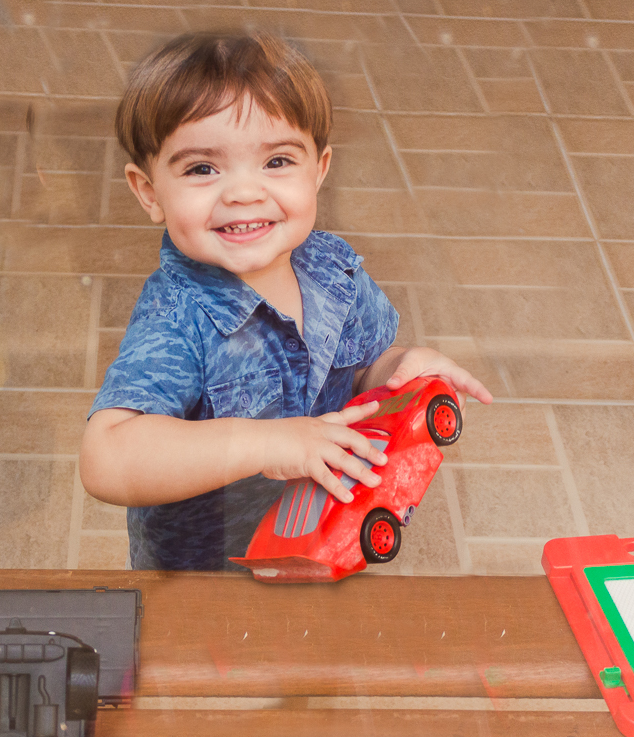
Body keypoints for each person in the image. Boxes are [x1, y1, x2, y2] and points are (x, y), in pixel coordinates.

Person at [80, 32, 492, 571]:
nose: (244, 193)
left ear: (318, 170)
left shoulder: (334, 272)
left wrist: (398, 370)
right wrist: (262, 445)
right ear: (149, 192)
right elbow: (106, 457)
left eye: (276, 162)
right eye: (203, 169)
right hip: (209, 580)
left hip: (326, 539)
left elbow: (364, 371)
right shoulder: (178, 318)